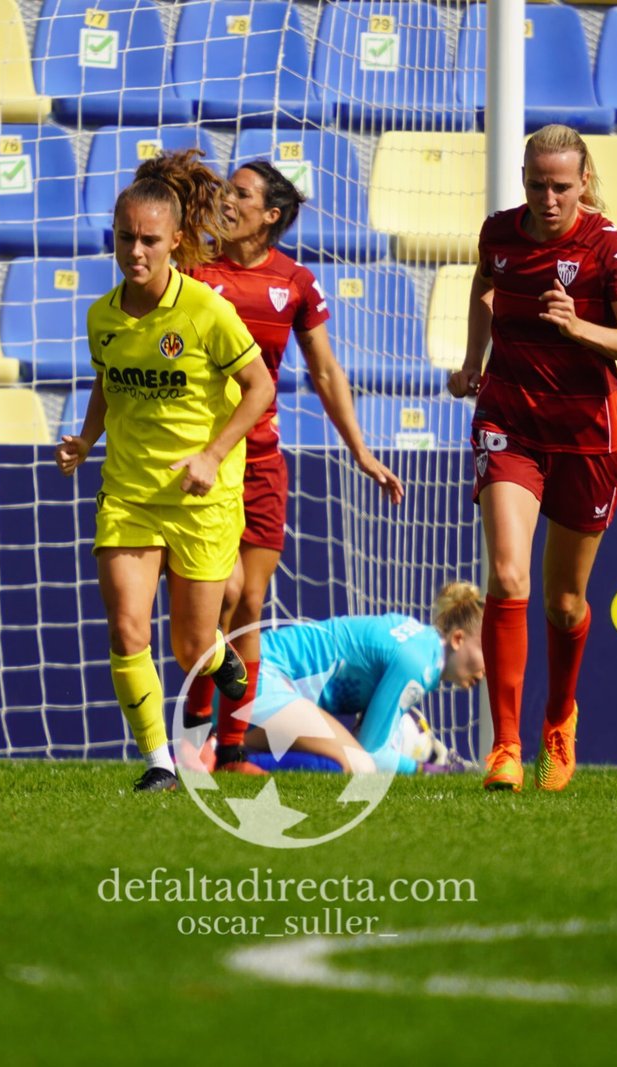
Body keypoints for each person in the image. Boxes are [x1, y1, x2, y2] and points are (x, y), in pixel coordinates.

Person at [55, 150, 275, 793]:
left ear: (176, 240)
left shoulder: (206, 311)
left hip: (202, 496)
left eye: (150, 239)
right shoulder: (102, 316)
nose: (136, 251)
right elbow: (108, 383)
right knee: (125, 625)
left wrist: (211, 455)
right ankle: (158, 759)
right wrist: (86, 439)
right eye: (126, 238)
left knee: (190, 650)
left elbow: (259, 389)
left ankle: (222, 661)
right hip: (129, 491)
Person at [447, 124, 617, 794]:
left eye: (560, 185)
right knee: (509, 576)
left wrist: (578, 327)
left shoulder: (610, 250)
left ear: (584, 181)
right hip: (509, 422)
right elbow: (485, 288)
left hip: (585, 435)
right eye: (536, 184)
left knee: (566, 602)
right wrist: (472, 361)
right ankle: (504, 747)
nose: (547, 197)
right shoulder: (499, 234)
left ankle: (559, 716)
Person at [182, 161, 404, 775]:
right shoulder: (194, 271)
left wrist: (359, 449)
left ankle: (228, 749)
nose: (227, 200)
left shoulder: (297, 282)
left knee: (249, 603)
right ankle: (192, 739)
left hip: (261, 464)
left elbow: (326, 371)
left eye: (241, 193)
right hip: (205, 460)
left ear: (270, 214)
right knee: (218, 598)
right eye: (225, 189)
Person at [188, 581, 484, 775]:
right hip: (256, 683)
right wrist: (432, 770)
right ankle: (222, 758)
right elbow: (375, 754)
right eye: (490, 653)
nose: (488, 671)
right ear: (458, 638)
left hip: (238, 683)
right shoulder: (420, 664)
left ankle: (218, 748)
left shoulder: (418, 639)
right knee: (361, 766)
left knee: (348, 756)